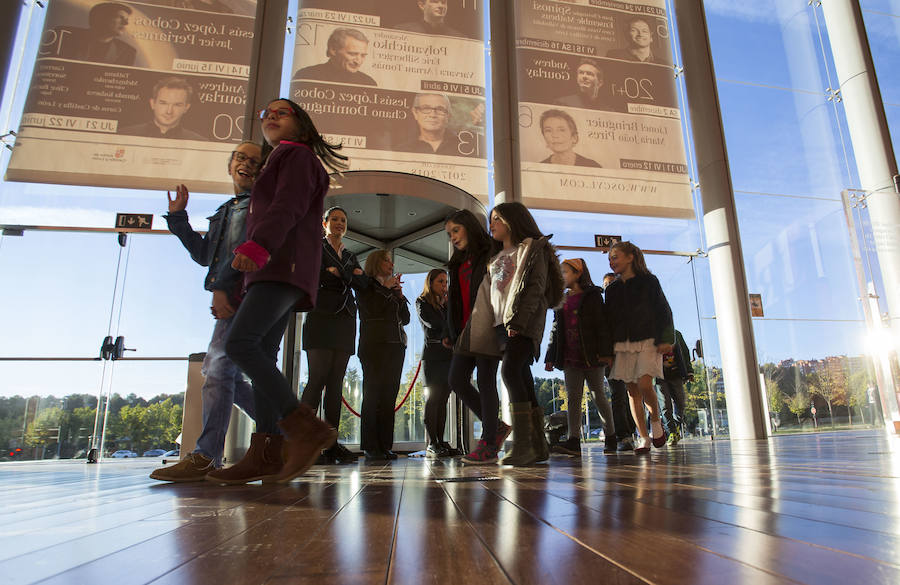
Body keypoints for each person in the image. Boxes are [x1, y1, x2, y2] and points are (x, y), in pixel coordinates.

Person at [205, 98, 349, 485]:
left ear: (301, 125)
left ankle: (304, 428)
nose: (269, 115)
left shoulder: (296, 157)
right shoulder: (282, 159)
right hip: (275, 269)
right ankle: (265, 453)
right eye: (265, 112)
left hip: (281, 266)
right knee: (262, 352)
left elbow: (288, 205)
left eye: (280, 112)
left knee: (239, 345)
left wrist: (259, 245)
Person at [150, 141, 261, 482]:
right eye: (241, 158)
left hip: (240, 297)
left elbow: (238, 256)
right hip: (231, 296)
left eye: (255, 161)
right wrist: (179, 218)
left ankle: (206, 456)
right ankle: (285, 432)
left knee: (217, 372)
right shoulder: (226, 210)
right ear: (230, 166)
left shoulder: (255, 208)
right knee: (227, 375)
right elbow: (205, 255)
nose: (247, 164)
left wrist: (220, 288)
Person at [486, 202, 563, 466]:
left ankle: (522, 445)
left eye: (497, 218)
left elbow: (535, 287)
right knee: (522, 376)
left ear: (512, 220)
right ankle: (538, 446)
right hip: (500, 325)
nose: (492, 224)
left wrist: (519, 321)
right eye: (491, 220)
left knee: (509, 372)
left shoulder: (530, 248)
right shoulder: (495, 256)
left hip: (522, 322)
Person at [299, 206, 369, 464]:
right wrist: (347, 276)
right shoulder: (315, 247)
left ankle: (330, 444)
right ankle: (305, 443)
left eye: (343, 220)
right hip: (320, 318)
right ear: (324, 222)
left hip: (345, 321)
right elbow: (312, 275)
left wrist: (340, 273)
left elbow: (363, 284)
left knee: (336, 383)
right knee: (317, 379)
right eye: (335, 219)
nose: (339, 223)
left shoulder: (350, 255)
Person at [444, 209, 511, 464]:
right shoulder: (457, 263)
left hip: (487, 327)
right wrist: (450, 332)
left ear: (470, 227)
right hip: (464, 332)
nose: (453, 237)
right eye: (450, 234)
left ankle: (488, 443)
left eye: (456, 231)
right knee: (456, 380)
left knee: (485, 382)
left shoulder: (491, 254)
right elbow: (455, 301)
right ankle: (497, 428)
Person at [604, 241, 675, 454]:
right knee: (632, 391)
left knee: (645, 384)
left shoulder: (649, 281)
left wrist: (666, 338)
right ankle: (643, 437)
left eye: (615, 256)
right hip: (622, 344)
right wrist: (607, 351)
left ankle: (656, 422)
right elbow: (608, 322)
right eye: (609, 259)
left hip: (648, 340)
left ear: (630, 257)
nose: (611, 261)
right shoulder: (612, 289)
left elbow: (664, 310)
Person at [544, 259, 616, 456]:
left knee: (598, 396)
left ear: (578, 274)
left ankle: (611, 437)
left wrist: (605, 353)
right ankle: (573, 440)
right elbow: (556, 330)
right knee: (573, 398)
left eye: (565, 272)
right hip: (570, 357)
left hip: (591, 355)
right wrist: (550, 355)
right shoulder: (561, 300)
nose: (561, 277)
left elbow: (601, 325)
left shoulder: (592, 296)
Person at [357, 250, 410, 461]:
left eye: (391, 260)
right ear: (376, 262)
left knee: (389, 396)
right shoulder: (366, 284)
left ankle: (385, 446)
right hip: (374, 346)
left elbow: (405, 319)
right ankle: (370, 446)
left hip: (396, 347)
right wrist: (386, 289)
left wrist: (399, 295)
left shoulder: (391, 288)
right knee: (372, 395)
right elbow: (371, 311)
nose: (391, 264)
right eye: (386, 260)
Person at [416, 269, 456, 457]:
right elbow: (434, 325)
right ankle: (432, 442)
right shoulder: (422, 302)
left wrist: (448, 307)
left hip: (448, 356)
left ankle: (440, 441)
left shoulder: (446, 306)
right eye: (440, 281)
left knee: (443, 400)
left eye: (445, 282)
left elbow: (454, 326)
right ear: (430, 283)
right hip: (432, 356)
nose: (444, 286)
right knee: (433, 399)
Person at [602, 272, 636, 451]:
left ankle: (630, 431)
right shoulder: (604, 308)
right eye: (606, 284)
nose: (609, 287)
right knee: (618, 394)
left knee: (629, 393)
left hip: (626, 352)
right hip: (611, 355)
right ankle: (624, 434)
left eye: (612, 283)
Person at [121, 77, 205, 140]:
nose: (169, 111)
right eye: (163, 103)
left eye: (177, 105)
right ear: (152, 103)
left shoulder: (199, 142)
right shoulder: (124, 135)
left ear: (186, 108)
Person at [56, 2, 136, 66]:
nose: (126, 23)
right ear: (101, 18)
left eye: (126, 19)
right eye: (120, 17)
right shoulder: (64, 35)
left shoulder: (127, 52)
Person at [292, 28, 377, 86]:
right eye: (352, 54)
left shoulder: (369, 83)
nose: (358, 61)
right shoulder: (306, 75)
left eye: (363, 55)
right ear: (333, 50)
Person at [657, 329, 691, 446]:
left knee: (680, 402)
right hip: (659, 375)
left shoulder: (676, 334)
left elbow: (685, 352)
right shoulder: (652, 334)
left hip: (676, 373)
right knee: (665, 405)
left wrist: (689, 371)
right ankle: (671, 432)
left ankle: (676, 425)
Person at [394, 0, 463, 37]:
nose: (441, 6)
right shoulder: (403, 31)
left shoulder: (458, 37)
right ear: (422, 5)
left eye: (443, 2)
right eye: (435, 1)